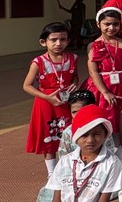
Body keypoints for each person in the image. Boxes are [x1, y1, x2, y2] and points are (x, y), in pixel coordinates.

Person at [24, 22, 80, 181]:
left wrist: (75, 83)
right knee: (49, 137)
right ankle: (51, 173)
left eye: (63, 39)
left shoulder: (72, 58)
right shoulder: (38, 62)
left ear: (68, 41)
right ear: (43, 42)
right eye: (53, 39)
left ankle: (69, 169)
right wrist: (47, 97)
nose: (58, 43)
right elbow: (27, 86)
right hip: (46, 103)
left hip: (66, 103)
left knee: (68, 135)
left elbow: (74, 76)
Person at [83, 7, 122, 138]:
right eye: (107, 24)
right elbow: (93, 71)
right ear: (98, 24)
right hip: (102, 87)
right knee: (106, 116)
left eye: (115, 24)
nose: (111, 28)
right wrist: (105, 92)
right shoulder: (93, 45)